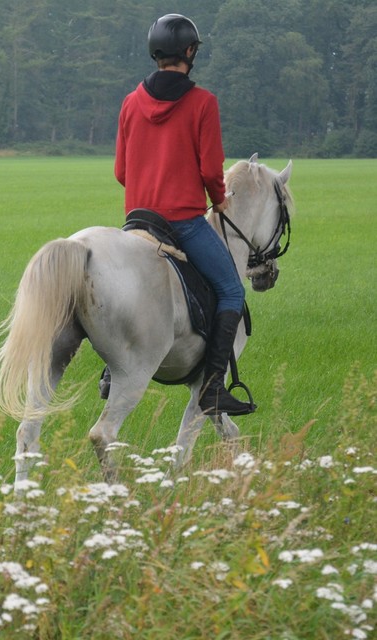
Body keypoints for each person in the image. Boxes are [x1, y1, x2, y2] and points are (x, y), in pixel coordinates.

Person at [104, 13, 252, 416]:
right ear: (189, 52)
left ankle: (109, 370)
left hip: (138, 222)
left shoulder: (131, 102)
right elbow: (209, 170)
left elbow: (121, 171)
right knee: (232, 291)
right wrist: (218, 198)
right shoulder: (203, 102)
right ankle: (212, 389)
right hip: (183, 223)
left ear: (156, 53)